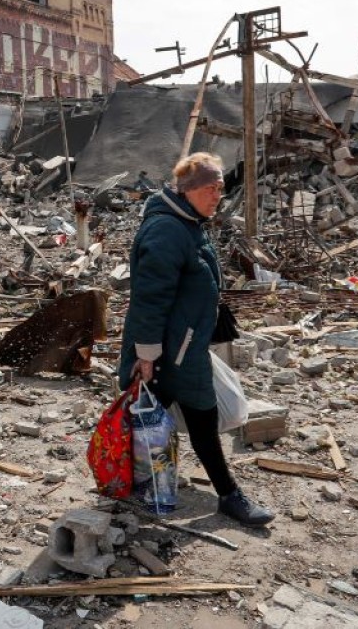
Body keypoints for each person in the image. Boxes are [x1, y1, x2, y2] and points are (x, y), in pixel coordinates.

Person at [117, 153, 275, 526]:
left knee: (150, 417)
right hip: (170, 351)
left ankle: (142, 484)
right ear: (188, 190)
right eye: (210, 188)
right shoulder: (168, 230)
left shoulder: (188, 223)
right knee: (198, 415)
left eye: (220, 188)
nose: (217, 195)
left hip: (182, 344)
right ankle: (227, 494)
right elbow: (149, 298)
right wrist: (147, 355)